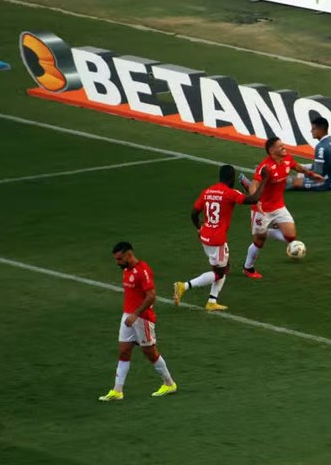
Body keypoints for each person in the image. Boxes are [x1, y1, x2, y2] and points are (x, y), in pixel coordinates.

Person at [173, 164, 266, 311]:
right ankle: (184, 286)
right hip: (218, 240)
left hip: (205, 237)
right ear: (232, 178)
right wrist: (264, 180)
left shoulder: (207, 192)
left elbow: (193, 213)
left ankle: (212, 301)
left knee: (221, 267)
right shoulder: (229, 193)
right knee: (220, 272)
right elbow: (253, 199)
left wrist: (199, 228)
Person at [98, 242, 176, 401]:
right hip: (128, 316)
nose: (117, 262)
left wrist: (135, 314)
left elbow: (151, 296)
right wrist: (129, 315)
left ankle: (169, 384)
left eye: (119, 259)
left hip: (142, 318)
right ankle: (117, 390)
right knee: (124, 351)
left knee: (150, 352)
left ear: (128, 255)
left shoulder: (143, 270)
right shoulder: (126, 269)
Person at [240, 137, 324, 279]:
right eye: (280, 146)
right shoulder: (265, 167)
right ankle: (248, 268)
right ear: (272, 150)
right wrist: (256, 200)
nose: (284, 147)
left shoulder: (287, 159)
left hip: (278, 206)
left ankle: (268, 231)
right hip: (262, 208)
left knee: (291, 237)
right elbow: (254, 184)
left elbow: (296, 166)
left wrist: (310, 174)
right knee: (258, 242)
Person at [287, 117, 331, 192]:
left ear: (320, 130)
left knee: (294, 181)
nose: (311, 131)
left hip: (329, 182)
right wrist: (302, 167)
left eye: (313, 129)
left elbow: (318, 172)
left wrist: (303, 173)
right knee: (302, 168)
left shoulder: (321, 147)